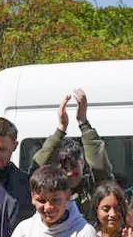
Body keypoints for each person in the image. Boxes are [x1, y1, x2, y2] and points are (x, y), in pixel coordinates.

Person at [33, 89, 114, 218]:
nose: (70, 172)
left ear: (82, 163)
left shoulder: (94, 188)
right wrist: (61, 129)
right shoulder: (47, 190)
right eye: (65, 168)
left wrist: (83, 122)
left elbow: (100, 167)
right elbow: (36, 169)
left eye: (74, 166)